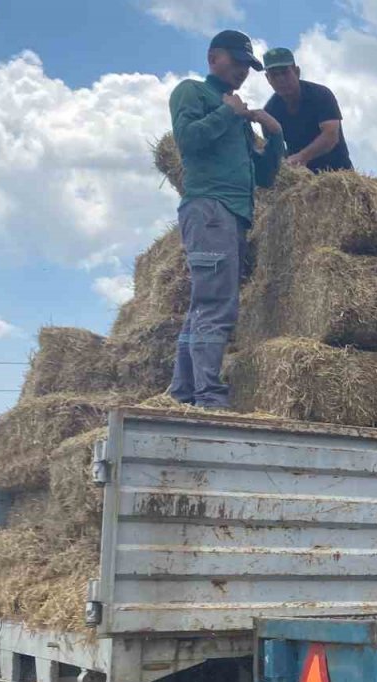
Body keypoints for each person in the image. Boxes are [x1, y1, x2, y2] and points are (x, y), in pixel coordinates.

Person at [167, 30, 285, 408]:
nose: (241, 71)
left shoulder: (237, 115)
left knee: (205, 304)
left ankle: (185, 394)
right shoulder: (192, 92)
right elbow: (187, 141)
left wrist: (275, 135)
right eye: (235, 62)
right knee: (217, 305)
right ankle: (208, 397)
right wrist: (227, 112)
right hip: (209, 208)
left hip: (232, 215)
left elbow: (264, 178)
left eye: (247, 66)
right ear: (213, 58)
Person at [262, 48, 353, 172]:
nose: (280, 79)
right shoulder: (270, 112)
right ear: (268, 79)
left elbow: (331, 135)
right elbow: (275, 151)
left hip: (340, 175)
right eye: (274, 75)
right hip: (301, 180)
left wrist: (302, 157)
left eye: (285, 72)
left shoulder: (321, 95)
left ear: (297, 71)